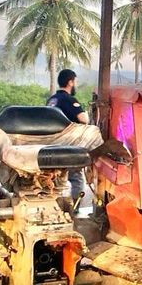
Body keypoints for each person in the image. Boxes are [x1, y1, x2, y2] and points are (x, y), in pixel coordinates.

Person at [47, 69, 89, 201]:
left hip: (51, 146)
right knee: (76, 178)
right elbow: (84, 119)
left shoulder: (52, 100)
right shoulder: (68, 100)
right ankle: (75, 208)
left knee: (54, 178)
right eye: (74, 81)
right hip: (67, 146)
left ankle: (54, 204)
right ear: (70, 82)